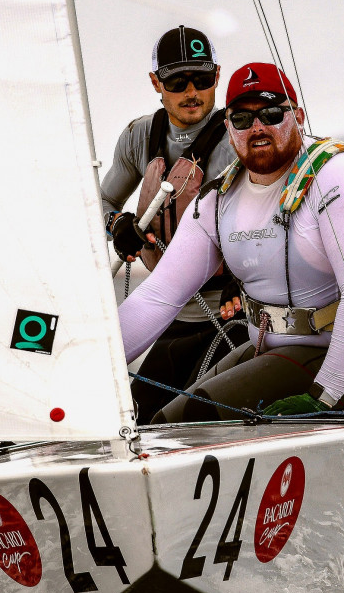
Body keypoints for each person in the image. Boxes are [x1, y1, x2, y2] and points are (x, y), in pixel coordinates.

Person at [117, 63, 344, 423]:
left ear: (298, 117)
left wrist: (323, 397)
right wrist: (93, 365)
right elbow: (159, 296)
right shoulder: (217, 199)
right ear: (228, 129)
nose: (258, 128)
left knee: (187, 419)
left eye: (271, 114)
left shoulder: (338, 178)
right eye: (242, 119)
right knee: (153, 419)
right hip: (278, 350)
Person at [101, 26, 247, 424]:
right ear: (156, 83)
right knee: (135, 420)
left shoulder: (239, 136)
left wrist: (247, 274)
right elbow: (101, 202)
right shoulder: (138, 137)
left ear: (217, 76)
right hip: (172, 312)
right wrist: (117, 224)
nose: (192, 92)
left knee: (193, 417)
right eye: (177, 82)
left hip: (235, 313)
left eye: (202, 79)